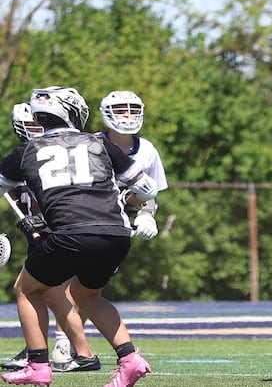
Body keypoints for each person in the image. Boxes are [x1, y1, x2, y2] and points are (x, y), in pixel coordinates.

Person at [0, 86, 155, 386]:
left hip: (70, 235)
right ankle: (130, 359)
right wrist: (133, 207)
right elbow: (145, 188)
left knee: (27, 289)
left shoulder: (27, 151)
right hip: (116, 235)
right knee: (87, 295)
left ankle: (37, 365)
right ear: (73, 111)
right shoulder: (100, 142)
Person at [47, 90, 168, 372]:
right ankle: (63, 344)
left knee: (87, 290)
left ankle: (70, 345)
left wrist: (147, 214)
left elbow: (148, 193)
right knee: (67, 285)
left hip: (116, 227)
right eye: (121, 109)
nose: (128, 115)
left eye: (132, 109)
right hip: (82, 218)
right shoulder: (89, 144)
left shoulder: (147, 150)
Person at [2, 103, 100, 373]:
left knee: (51, 293)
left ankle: (74, 351)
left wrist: (46, 222)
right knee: (44, 293)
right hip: (41, 236)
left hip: (60, 233)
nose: (38, 130)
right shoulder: (24, 156)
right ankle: (42, 350)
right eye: (32, 125)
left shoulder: (53, 154)